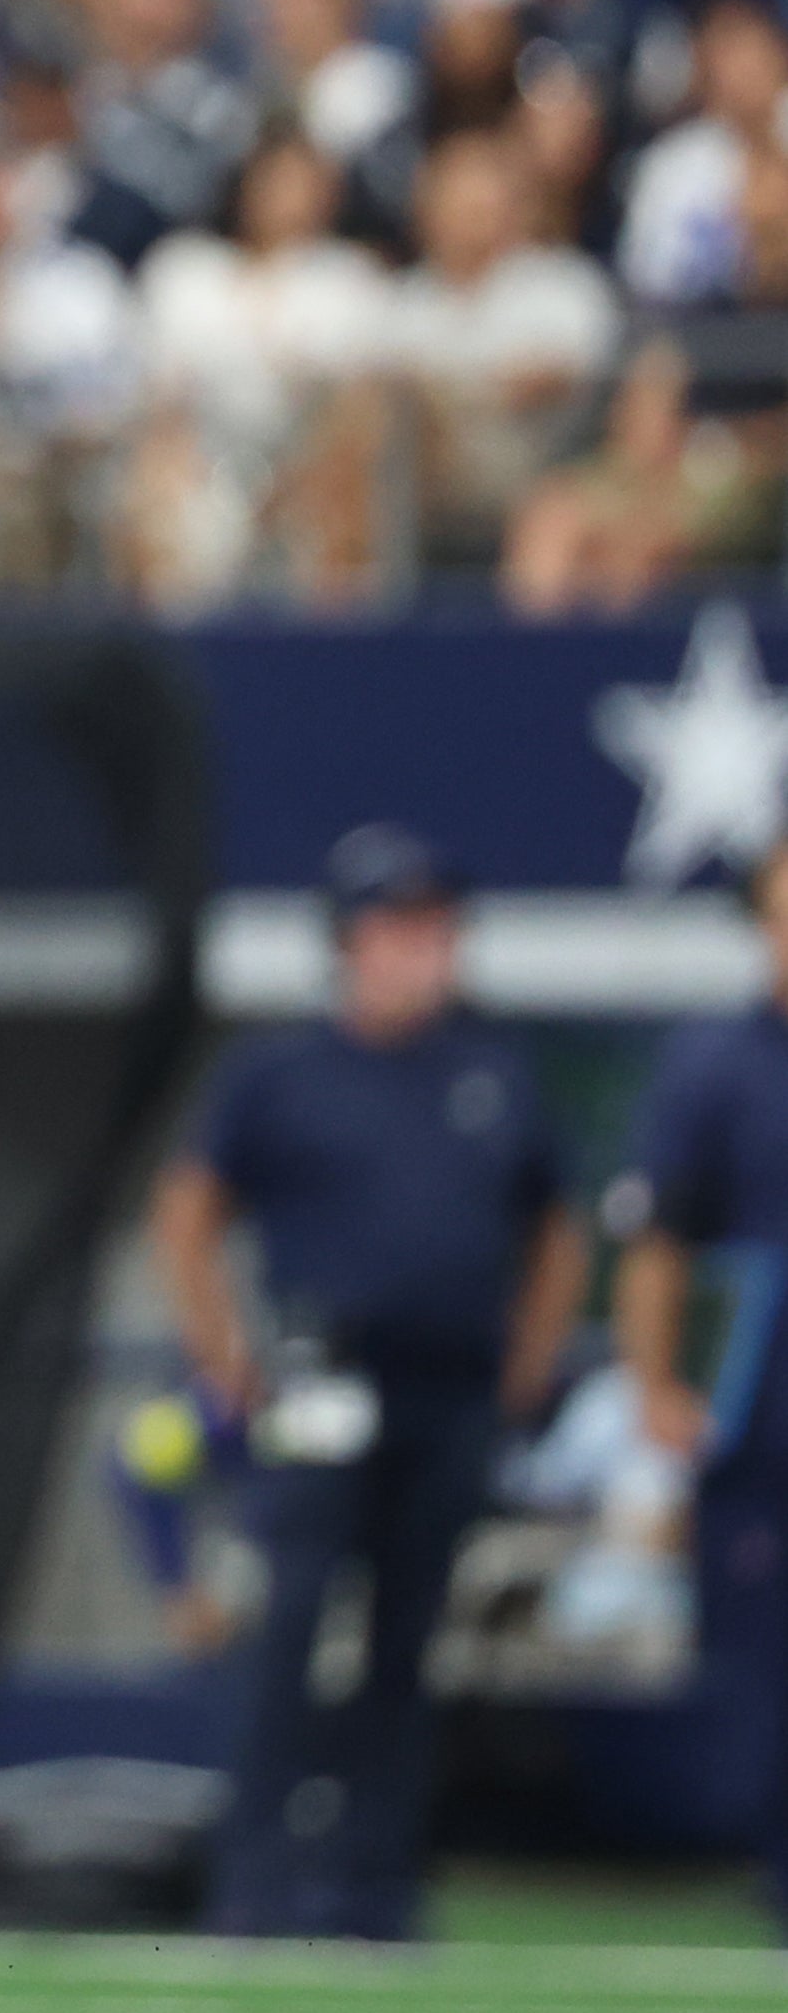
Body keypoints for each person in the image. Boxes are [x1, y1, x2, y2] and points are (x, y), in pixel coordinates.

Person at [150, 825, 585, 1940]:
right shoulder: (281, 1073)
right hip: (318, 1382)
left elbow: (558, 1224)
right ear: (347, 942)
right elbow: (190, 1209)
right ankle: (256, 1876)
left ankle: (378, 1880)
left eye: (437, 926)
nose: (424, 950)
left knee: (408, 1638)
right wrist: (224, 1353)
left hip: (447, 1387)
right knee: (292, 1618)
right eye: (400, 926)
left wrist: (527, 1359)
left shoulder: (489, 1070)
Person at [597, 839, 788, 1938]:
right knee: (759, 1662)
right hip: (762, 1410)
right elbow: (658, 1237)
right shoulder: (718, 1062)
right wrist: (654, 1382)